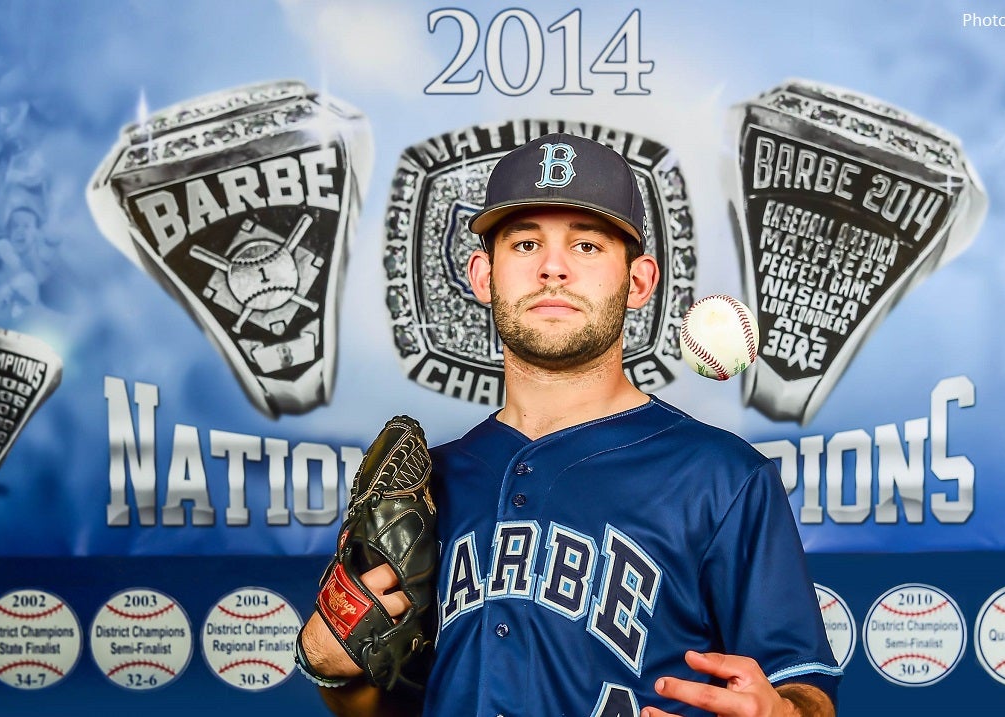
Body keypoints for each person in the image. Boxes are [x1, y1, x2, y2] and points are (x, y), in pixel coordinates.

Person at [297, 133, 841, 717]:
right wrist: (332, 670)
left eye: (586, 246)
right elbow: (387, 708)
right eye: (526, 243)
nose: (553, 268)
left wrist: (782, 713)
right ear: (483, 277)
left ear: (638, 282)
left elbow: (804, 689)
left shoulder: (724, 479)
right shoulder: (435, 483)